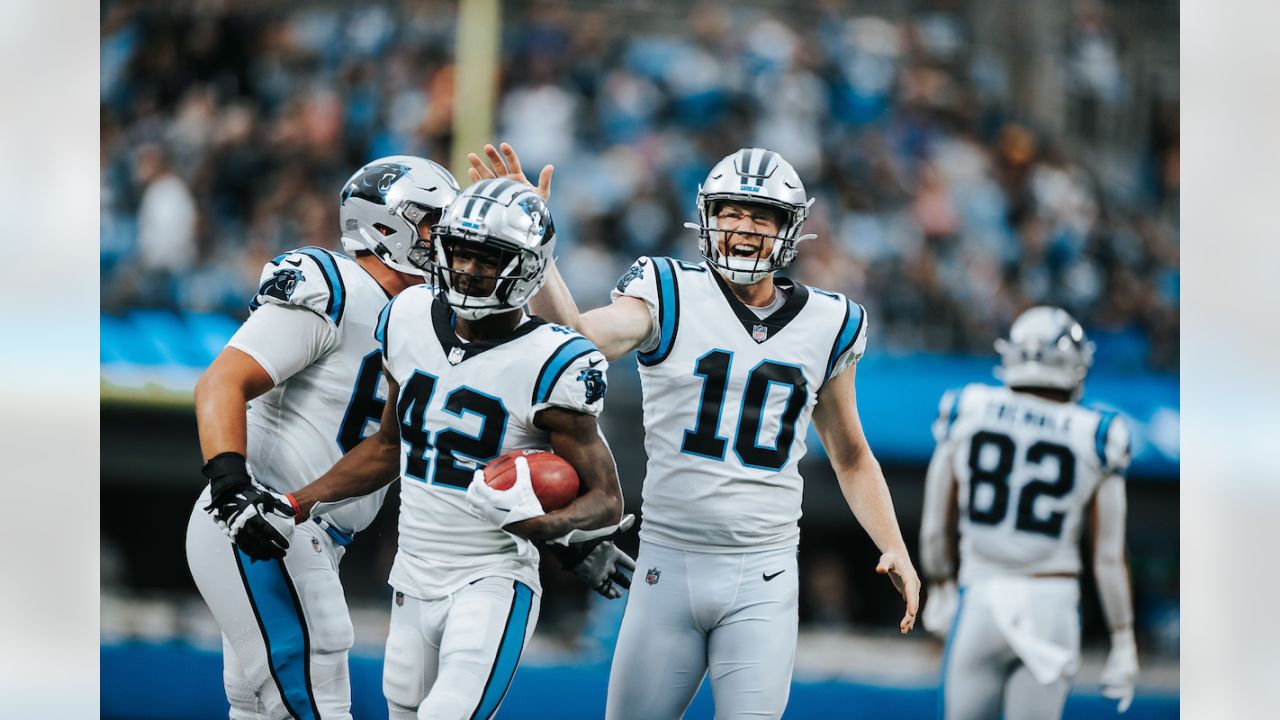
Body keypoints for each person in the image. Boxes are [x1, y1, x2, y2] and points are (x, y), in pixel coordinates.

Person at [472, 144, 921, 720]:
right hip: (668, 564)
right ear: (707, 216)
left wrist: (895, 546)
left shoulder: (830, 320)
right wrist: (539, 251)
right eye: (731, 211)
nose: (742, 226)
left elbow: (851, 455)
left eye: (761, 215)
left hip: (765, 571)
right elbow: (577, 337)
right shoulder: (668, 289)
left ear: (790, 230)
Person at [230, 178, 633, 720]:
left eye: (487, 258)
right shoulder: (409, 315)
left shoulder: (555, 360)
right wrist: (298, 503)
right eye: (459, 253)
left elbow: (606, 499)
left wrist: (550, 528)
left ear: (527, 267)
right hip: (412, 576)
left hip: (492, 578)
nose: (467, 270)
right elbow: (388, 447)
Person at [185, 155, 460, 719]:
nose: (444, 240)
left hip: (313, 528)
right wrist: (232, 490)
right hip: (261, 520)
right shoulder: (337, 286)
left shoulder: (423, 317)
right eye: (432, 224)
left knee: (259, 709)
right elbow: (222, 381)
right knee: (318, 697)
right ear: (385, 225)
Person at [918, 306, 1139, 719]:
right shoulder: (1097, 432)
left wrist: (941, 585)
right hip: (1051, 601)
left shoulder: (967, 407)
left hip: (981, 596)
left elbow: (934, 528)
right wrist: (1123, 639)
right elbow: (1108, 556)